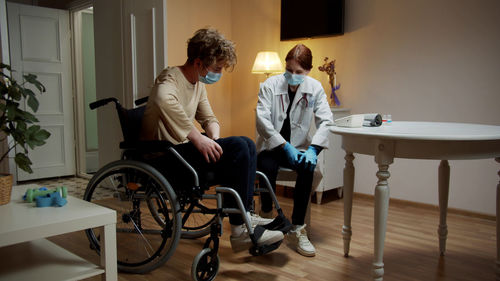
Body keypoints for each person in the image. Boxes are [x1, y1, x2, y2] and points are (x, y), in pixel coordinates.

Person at [140, 28, 283, 252]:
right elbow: (161, 98)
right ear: (199, 63)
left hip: (181, 153)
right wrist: (198, 138)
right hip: (164, 156)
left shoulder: (198, 83)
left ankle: (245, 217)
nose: (219, 73)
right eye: (216, 68)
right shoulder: (170, 77)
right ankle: (239, 229)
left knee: (245, 144)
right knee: (239, 145)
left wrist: (213, 140)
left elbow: (208, 118)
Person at [256, 44, 334, 257]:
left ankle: (298, 228)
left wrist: (313, 150)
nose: (293, 75)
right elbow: (262, 120)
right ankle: (266, 215)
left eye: (298, 72)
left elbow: (327, 121)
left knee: (308, 167)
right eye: (289, 70)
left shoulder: (315, 88)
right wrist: (283, 145)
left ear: (307, 71)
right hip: (272, 146)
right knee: (265, 166)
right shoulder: (270, 85)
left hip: (299, 146)